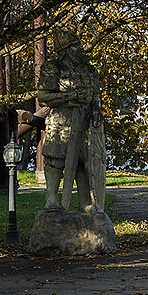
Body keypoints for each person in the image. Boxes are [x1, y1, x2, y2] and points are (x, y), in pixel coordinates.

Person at [38, 32, 105, 212]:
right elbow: (43, 97)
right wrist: (70, 96)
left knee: (83, 161)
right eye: (75, 46)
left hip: (85, 123)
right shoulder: (53, 68)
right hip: (60, 123)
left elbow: (95, 96)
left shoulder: (89, 70)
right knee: (55, 160)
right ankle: (52, 200)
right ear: (66, 51)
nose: (80, 49)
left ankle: (85, 202)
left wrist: (96, 110)